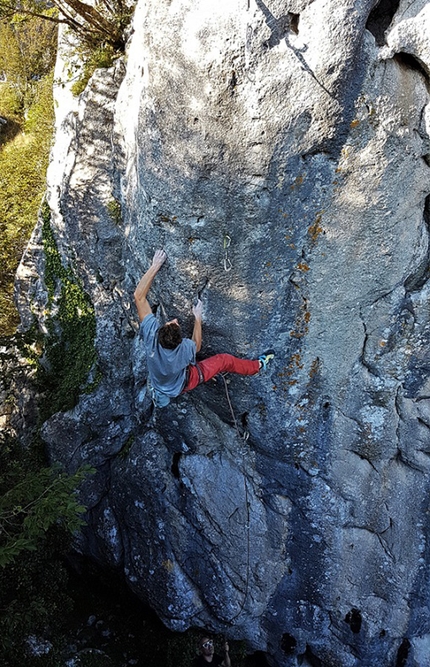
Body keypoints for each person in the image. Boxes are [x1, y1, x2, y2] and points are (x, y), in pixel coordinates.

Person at [134, 249, 275, 407]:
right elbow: (197, 345)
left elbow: (139, 297)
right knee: (224, 360)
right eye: (175, 323)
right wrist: (198, 317)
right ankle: (256, 366)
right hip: (185, 382)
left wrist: (155, 265)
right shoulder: (185, 349)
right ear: (181, 342)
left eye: (170, 322)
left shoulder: (151, 336)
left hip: (162, 382)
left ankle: (161, 394)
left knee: (186, 366)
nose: (174, 320)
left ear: (159, 332)